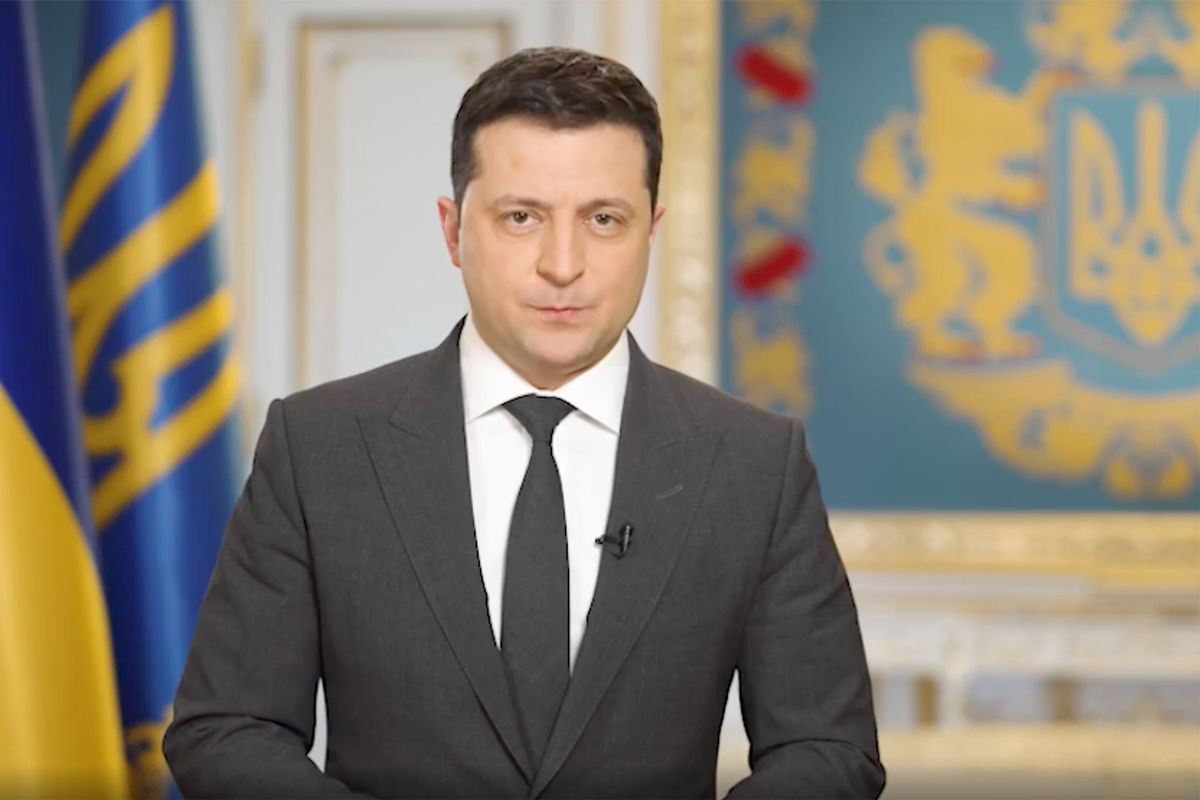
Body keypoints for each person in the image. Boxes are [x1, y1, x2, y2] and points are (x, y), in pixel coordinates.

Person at [163, 46, 884, 799]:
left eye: (603, 219)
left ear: (650, 231)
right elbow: (225, 729)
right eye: (521, 217)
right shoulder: (319, 448)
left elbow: (828, 750)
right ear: (452, 231)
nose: (562, 264)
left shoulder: (754, 465)